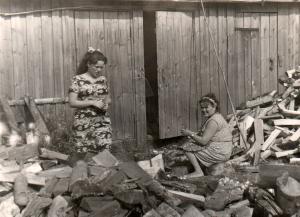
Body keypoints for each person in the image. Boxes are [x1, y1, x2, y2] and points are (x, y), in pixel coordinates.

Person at [68, 47, 112, 154]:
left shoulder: (103, 80)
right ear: (88, 64)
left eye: (101, 68)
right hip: (84, 122)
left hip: (102, 121)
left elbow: (108, 98)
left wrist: (106, 104)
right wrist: (92, 102)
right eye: (96, 67)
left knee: (105, 152)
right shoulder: (77, 80)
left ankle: (104, 171)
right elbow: (72, 102)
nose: (99, 70)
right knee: (83, 153)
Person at [180, 93, 233, 178]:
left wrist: (190, 133)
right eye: (202, 107)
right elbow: (207, 134)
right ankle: (204, 166)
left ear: (214, 106)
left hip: (220, 151)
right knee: (192, 142)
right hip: (222, 148)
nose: (204, 110)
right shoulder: (216, 116)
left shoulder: (213, 121)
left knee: (186, 147)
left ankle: (198, 171)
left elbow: (204, 141)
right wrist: (194, 135)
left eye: (206, 107)